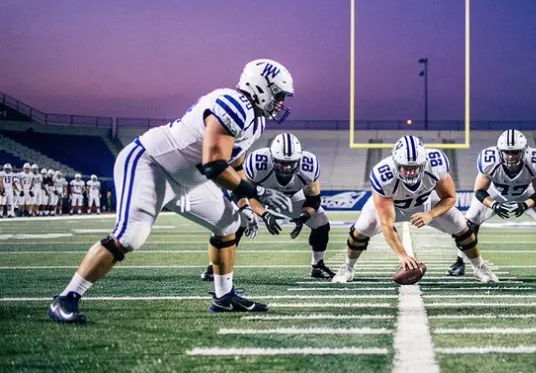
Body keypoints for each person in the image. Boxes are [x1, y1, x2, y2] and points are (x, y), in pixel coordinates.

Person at [48, 59, 295, 323]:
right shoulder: (232, 104)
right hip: (152, 164)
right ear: (261, 86)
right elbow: (214, 165)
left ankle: (224, 298)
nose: (280, 102)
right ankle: (66, 297)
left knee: (230, 223)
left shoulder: (255, 122)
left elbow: (235, 167)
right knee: (130, 236)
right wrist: (257, 190)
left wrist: (247, 202)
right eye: (278, 94)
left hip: (188, 181)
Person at [332, 136, 498, 283]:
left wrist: (430, 214)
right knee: (362, 228)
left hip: (425, 202)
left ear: (424, 163)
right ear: (396, 163)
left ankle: (479, 267)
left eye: (415, 167)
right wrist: (403, 256)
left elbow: (450, 198)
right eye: (405, 167)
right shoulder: (383, 175)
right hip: (393, 205)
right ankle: (348, 267)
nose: (410, 172)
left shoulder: (436, 164)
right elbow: (386, 225)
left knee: (462, 226)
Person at [202, 133, 334, 281]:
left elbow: (314, 200)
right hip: (257, 195)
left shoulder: (309, 166)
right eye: (282, 162)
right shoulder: (257, 163)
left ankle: (317, 266)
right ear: (272, 158)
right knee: (237, 221)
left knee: (321, 220)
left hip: (288, 199)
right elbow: (242, 192)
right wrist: (265, 214)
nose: (287, 167)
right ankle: (215, 267)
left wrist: (304, 217)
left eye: (291, 162)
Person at [447, 129, 536, 278]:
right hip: (496, 193)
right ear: (500, 151)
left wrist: (525, 205)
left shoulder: (535, 161)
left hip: (525, 193)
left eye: (516, 152)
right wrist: (494, 205)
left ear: (524, 151)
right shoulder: (489, 160)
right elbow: (479, 191)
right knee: (468, 224)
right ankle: (460, 261)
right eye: (507, 152)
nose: (511, 156)